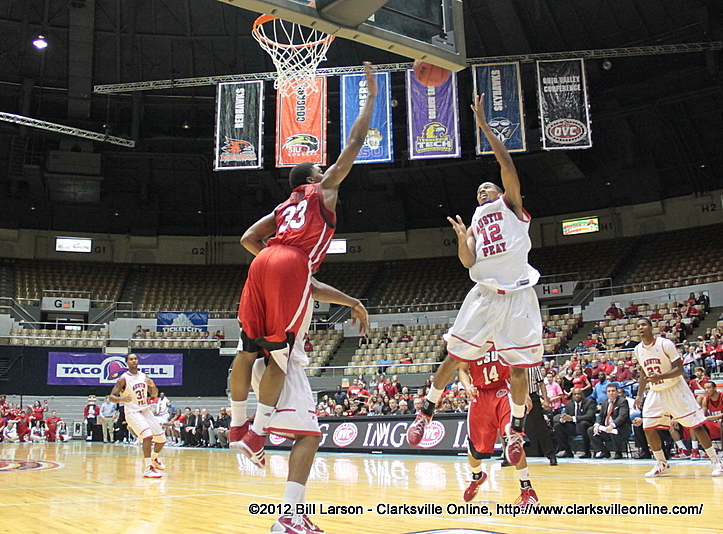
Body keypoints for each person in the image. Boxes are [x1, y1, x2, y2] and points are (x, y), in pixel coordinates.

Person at [228, 62, 377, 467]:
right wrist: (370, 98)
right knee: (280, 354)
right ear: (313, 176)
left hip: (264, 262)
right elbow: (355, 142)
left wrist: (275, 262)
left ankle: (237, 426)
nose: (325, 167)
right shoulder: (322, 191)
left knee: (245, 351)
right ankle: (257, 435)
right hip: (290, 263)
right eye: (319, 166)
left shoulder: (284, 205)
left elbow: (247, 239)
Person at [407, 92, 543, 471]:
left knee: (518, 370)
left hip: (518, 294)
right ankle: (427, 410)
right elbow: (468, 261)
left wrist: (484, 127)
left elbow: (507, 163)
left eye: (488, 189)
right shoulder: (477, 223)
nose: (483, 192)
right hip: (484, 294)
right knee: (454, 356)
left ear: (501, 194)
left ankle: (515, 430)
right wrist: (462, 237)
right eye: (479, 191)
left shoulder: (511, 208)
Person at [251, 280, 368, 534]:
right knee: (309, 437)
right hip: (282, 364)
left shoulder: (276, 272)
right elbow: (313, 285)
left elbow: (313, 287)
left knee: (305, 437)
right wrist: (354, 303)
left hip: (273, 362)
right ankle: (287, 517)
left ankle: (297, 515)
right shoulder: (293, 265)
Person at [632, 318, 723, 477]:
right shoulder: (638, 349)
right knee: (648, 427)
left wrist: (660, 375)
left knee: (695, 425)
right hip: (656, 391)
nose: (641, 328)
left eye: (643, 324)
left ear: (651, 327)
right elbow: (643, 373)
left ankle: (716, 461)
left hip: (675, 388)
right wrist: (639, 394)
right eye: (638, 326)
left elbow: (680, 369)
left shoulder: (664, 344)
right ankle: (661, 463)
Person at [456, 351, 539, 506]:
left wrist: (524, 391)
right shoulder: (471, 342)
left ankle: (527, 489)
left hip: (504, 391)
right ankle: (476, 476)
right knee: (474, 447)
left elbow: (519, 367)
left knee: (513, 438)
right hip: (479, 394)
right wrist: (467, 386)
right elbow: (462, 370)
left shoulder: (502, 336)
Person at [107, 353, 167, 479]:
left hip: (145, 410)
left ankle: (154, 459)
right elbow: (111, 397)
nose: (134, 361)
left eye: (135, 359)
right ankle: (147, 468)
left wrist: (152, 385)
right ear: (127, 363)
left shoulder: (144, 376)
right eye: (131, 359)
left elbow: (154, 394)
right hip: (132, 412)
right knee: (147, 435)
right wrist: (121, 399)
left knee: (161, 440)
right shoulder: (123, 379)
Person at [590, 383, 631, 459]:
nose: (611, 393)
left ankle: (618, 453)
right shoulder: (605, 402)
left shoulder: (622, 401)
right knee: (591, 430)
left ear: (617, 392)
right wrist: (597, 425)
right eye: (609, 391)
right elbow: (601, 416)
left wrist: (612, 425)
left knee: (613, 431)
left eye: (613, 391)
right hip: (606, 427)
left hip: (620, 427)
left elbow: (622, 416)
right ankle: (603, 452)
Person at [553, 388, 596, 458]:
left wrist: (573, 418)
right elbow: (567, 415)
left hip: (586, 426)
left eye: (579, 394)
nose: (577, 396)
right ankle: (567, 451)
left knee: (583, 424)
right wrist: (563, 419)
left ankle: (586, 452)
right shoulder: (569, 404)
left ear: (582, 395)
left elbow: (589, 416)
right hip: (573, 427)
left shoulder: (589, 402)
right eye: (575, 394)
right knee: (558, 426)